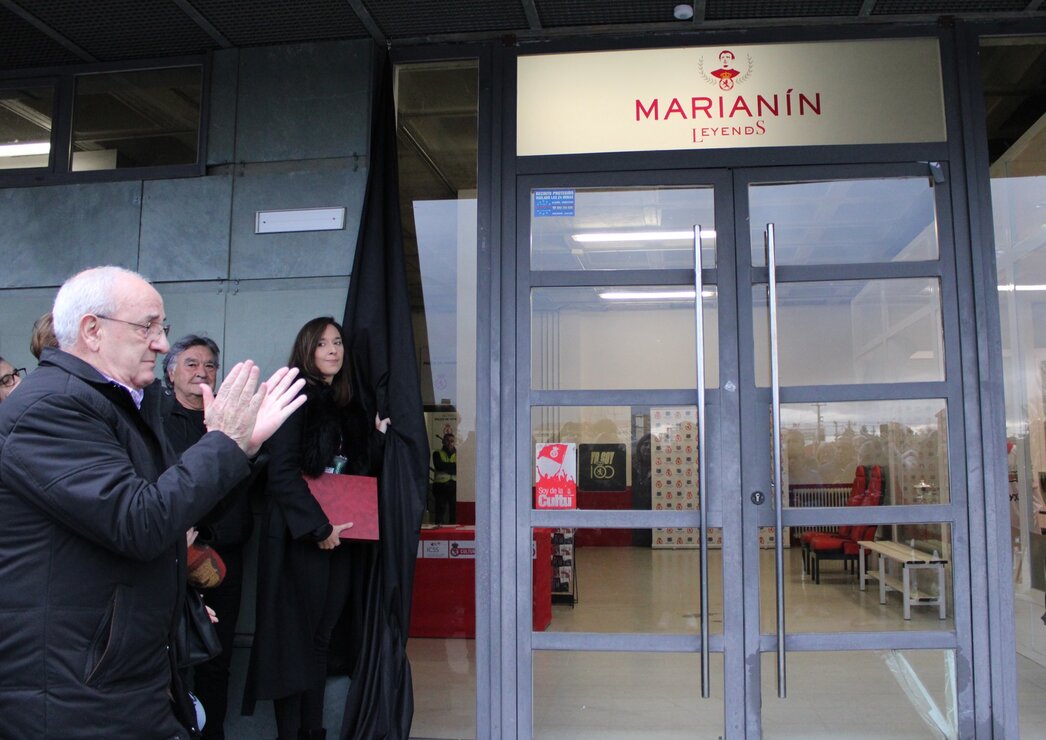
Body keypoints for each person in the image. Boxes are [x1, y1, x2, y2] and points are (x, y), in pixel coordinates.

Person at [0, 265, 306, 738]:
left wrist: (236, 448)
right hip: (74, 692)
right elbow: (139, 522)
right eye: (148, 327)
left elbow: (153, 524)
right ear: (92, 330)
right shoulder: (52, 407)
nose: (162, 342)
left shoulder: (118, 405)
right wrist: (223, 442)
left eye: (162, 327)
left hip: (115, 678)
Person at [246, 316, 389, 740]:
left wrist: (377, 438)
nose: (332, 349)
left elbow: (353, 473)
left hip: (340, 538)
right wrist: (317, 527)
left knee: (322, 639)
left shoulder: (346, 404)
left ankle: (312, 730)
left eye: (338, 342)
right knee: (294, 642)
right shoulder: (294, 397)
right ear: (306, 350)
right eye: (322, 342)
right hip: (301, 540)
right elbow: (282, 475)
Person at [162, 334, 259, 740]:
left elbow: (244, 483)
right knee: (170, 655)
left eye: (210, 365)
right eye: (191, 363)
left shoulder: (232, 417)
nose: (202, 371)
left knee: (216, 655)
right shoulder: (154, 417)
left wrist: (210, 532)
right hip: (167, 554)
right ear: (170, 371)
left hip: (222, 555)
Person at [431, 431, 457, 524]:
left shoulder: (459, 454)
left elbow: (460, 468)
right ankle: (438, 532)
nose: (450, 443)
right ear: (443, 442)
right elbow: (439, 466)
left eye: (452, 441)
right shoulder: (437, 453)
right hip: (440, 486)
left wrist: (447, 466)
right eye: (447, 441)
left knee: (454, 512)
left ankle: (453, 532)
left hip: (454, 486)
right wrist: (453, 466)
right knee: (440, 511)